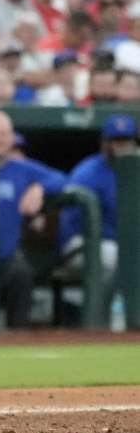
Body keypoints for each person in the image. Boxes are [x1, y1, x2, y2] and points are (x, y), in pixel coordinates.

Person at [0, 109, 67, 328]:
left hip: (5, 255)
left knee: (21, 274)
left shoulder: (21, 169)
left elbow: (64, 178)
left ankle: (18, 337)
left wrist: (39, 187)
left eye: (4, 134)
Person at [57, 114, 132, 310]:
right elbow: (75, 223)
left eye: (125, 140)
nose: (121, 146)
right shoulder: (87, 173)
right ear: (104, 142)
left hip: (121, 245)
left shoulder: (134, 169)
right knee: (117, 258)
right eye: (115, 140)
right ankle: (100, 320)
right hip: (81, 244)